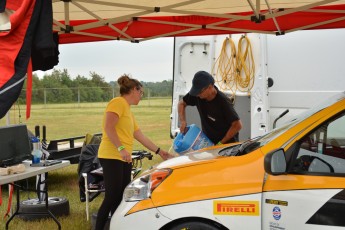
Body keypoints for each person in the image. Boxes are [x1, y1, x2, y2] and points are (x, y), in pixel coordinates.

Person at [96, 74, 171, 230]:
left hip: (123, 158)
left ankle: (115, 227)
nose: (141, 96)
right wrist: (121, 149)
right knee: (111, 197)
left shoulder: (128, 110)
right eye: (140, 92)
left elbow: (139, 135)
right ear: (133, 90)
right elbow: (108, 127)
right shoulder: (117, 102)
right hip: (111, 156)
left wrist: (159, 151)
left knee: (121, 197)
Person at [178, 70, 242, 145]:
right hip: (208, 142)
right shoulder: (197, 96)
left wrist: (220, 143)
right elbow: (181, 104)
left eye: (200, 92)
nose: (197, 94)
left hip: (227, 145)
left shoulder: (223, 102)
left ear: (210, 87)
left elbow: (237, 125)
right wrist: (182, 121)